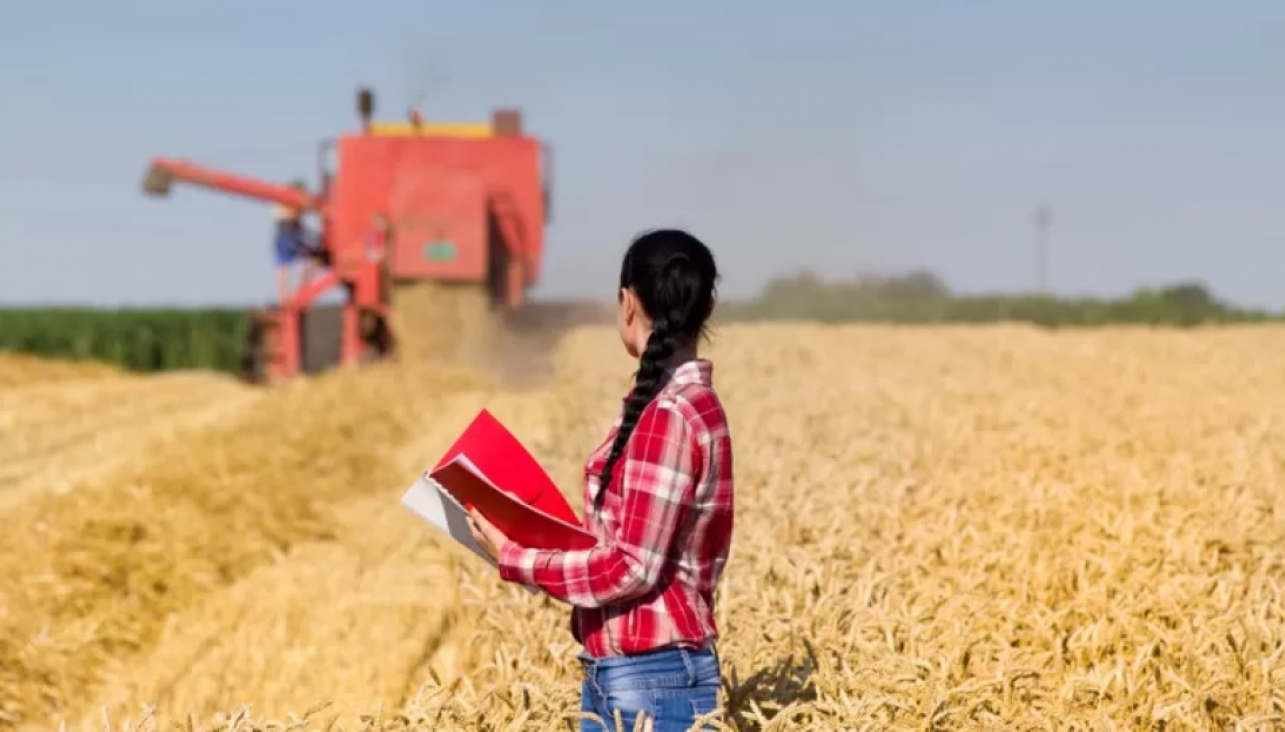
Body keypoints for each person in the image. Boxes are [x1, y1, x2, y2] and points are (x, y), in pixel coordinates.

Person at [467, 228, 734, 732]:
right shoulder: (681, 405)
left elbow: (632, 568)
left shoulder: (668, 415)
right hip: (639, 676)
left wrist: (515, 558)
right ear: (709, 304)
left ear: (627, 302)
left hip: (649, 679)